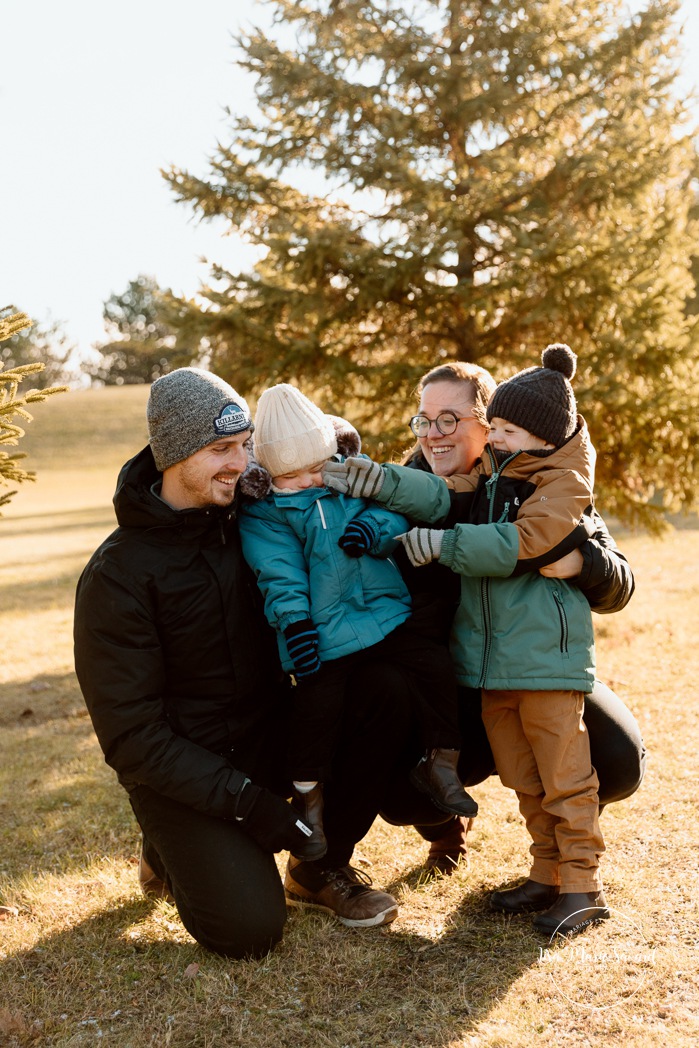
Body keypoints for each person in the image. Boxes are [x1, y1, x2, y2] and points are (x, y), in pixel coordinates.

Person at [73, 367, 425, 959]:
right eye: (220, 450)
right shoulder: (118, 575)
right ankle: (167, 844)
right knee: (248, 931)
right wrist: (247, 803)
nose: (241, 464)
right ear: (174, 455)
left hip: (269, 735)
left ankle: (320, 868)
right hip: (187, 768)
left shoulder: (254, 521)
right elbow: (132, 737)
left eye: (244, 446)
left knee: (384, 690)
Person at [324, 355, 644, 885]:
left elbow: (620, 584)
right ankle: (445, 824)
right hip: (448, 686)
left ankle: (568, 863)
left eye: (450, 419)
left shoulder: (540, 483)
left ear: (490, 425)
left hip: (532, 668)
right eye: (424, 420)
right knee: (408, 793)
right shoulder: (404, 490)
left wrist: (584, 563)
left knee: (615, 758)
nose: (434, 433)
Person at [237, 383, 478, 860]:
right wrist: (296, 625)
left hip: (384, 613)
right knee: (315, 710)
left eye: (316, 468)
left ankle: (442, 760)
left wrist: (375, 530)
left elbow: (390, 515)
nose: (309, 481)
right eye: (292, 476)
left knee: (432, 666)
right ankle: (309, 797)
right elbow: (278, 573)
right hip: (323, 632)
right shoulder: (266, 515)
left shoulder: (347, 481)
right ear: (267, 474)